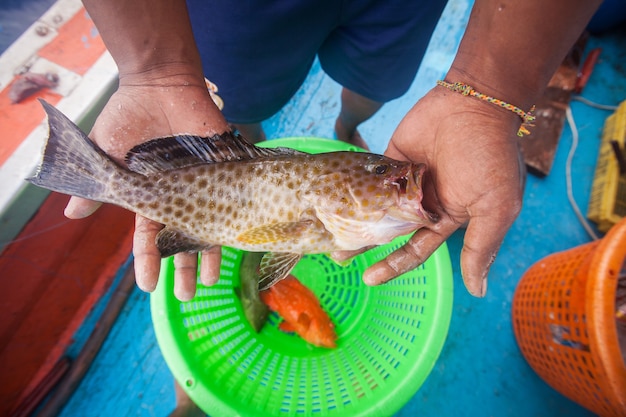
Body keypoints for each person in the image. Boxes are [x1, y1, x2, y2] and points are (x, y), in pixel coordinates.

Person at [65, 0, 602, 303]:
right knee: (240, 105)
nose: (400, 177)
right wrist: (155, 71)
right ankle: (312, 130)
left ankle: (350, 123)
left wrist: (492, 99)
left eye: (385, 173)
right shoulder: (325, 214)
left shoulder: (333, 211)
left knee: (375, 82)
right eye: (381, 172)